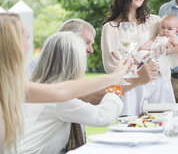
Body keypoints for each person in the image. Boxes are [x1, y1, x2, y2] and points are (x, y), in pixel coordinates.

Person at [0, 13, 129, 153]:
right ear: (14, 44)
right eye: (27, 37)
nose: (29, 43)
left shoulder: (13, 85)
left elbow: (63, 90)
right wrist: (115, 82)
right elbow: (102, 116)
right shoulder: (56, 100)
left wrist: (115, 77)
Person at [101, 0, 178, 115]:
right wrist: (136, 64)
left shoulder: (155, 21)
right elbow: (110, 66)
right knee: (131, 129)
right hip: (131, 88)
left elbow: (171, 40)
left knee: (164, 126)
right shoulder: (111, 27)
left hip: (159, 85)